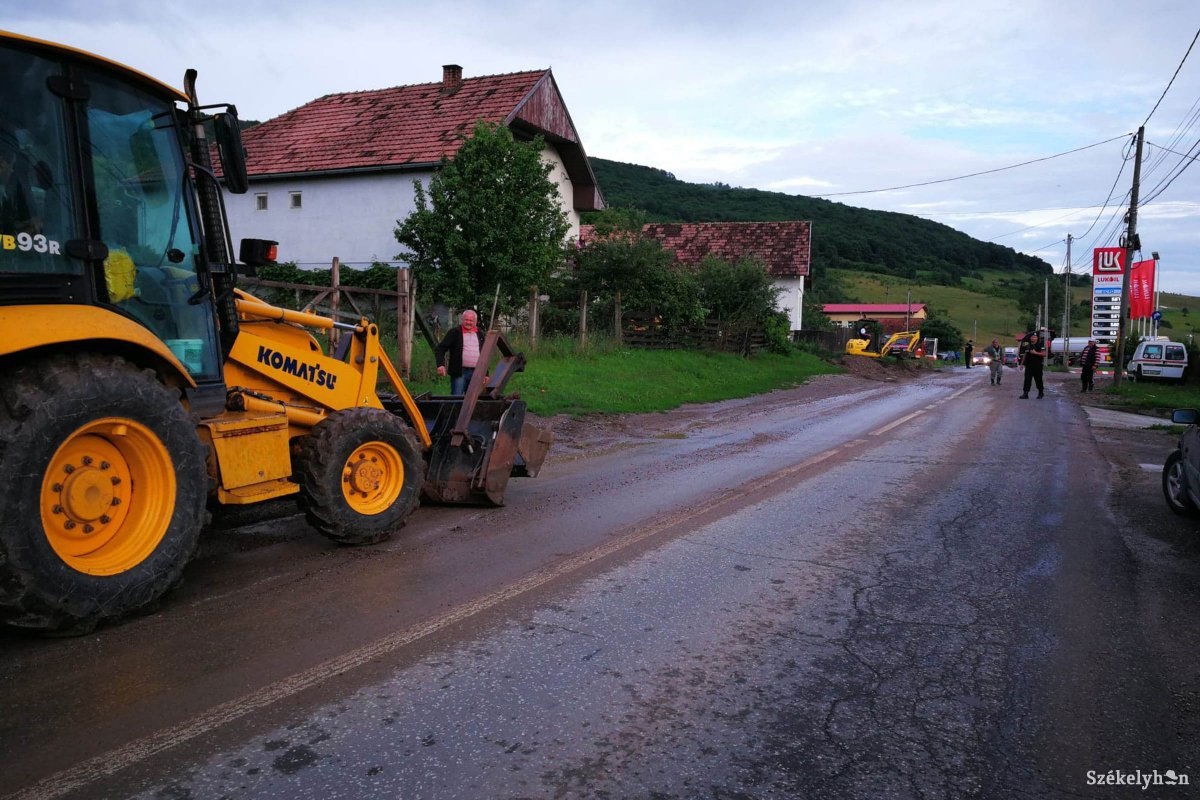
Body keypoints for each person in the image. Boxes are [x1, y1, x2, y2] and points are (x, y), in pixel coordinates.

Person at [435, 309, 485, 395]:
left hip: (477, 372)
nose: (468, 322)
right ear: (462, 320)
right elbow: (441, 348)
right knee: (457, 398)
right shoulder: (455, 332)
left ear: (475, 322)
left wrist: (485, 373)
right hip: (459, 372)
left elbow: (485, 354)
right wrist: (440, 365)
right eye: (466, 320)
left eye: (471, 320)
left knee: (474, 399)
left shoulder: (479, 333)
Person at [1020, 333, 1046, 399]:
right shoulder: (1028, 345)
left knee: (1038, 379)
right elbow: (1025, 354)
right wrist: (1022, 364)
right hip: (1029, 365)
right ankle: (1025, 394)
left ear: (1037, 338)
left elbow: (1044, 354)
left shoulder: (1041, 345)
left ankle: (1040, 393)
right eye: (1032, 337)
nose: (1033, 338)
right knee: (1027, 379)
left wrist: (1035, 353)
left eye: (1034, 337)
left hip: (1038, 365)